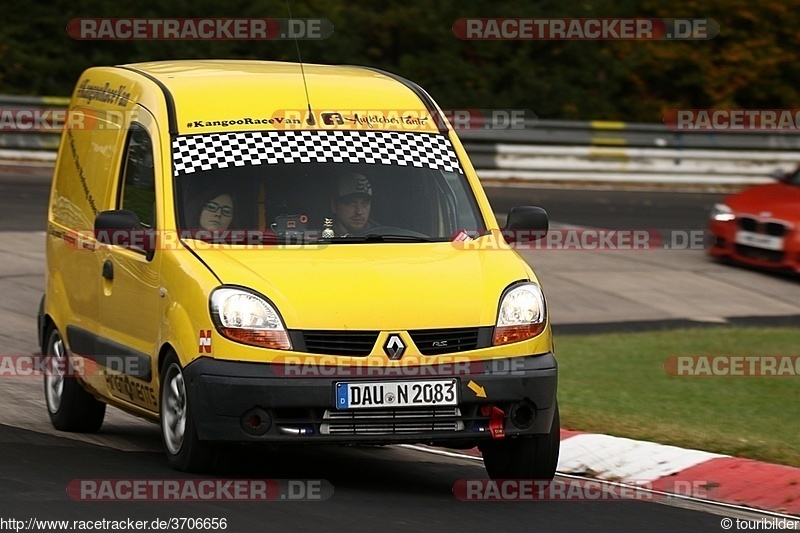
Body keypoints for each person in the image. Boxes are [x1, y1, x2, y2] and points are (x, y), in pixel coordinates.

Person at [328, 172, 375, 236]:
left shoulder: (382, 236)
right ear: (334, 205)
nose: (359, 211)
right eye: (351, 203)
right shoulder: (318, 239)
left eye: (365, 203)